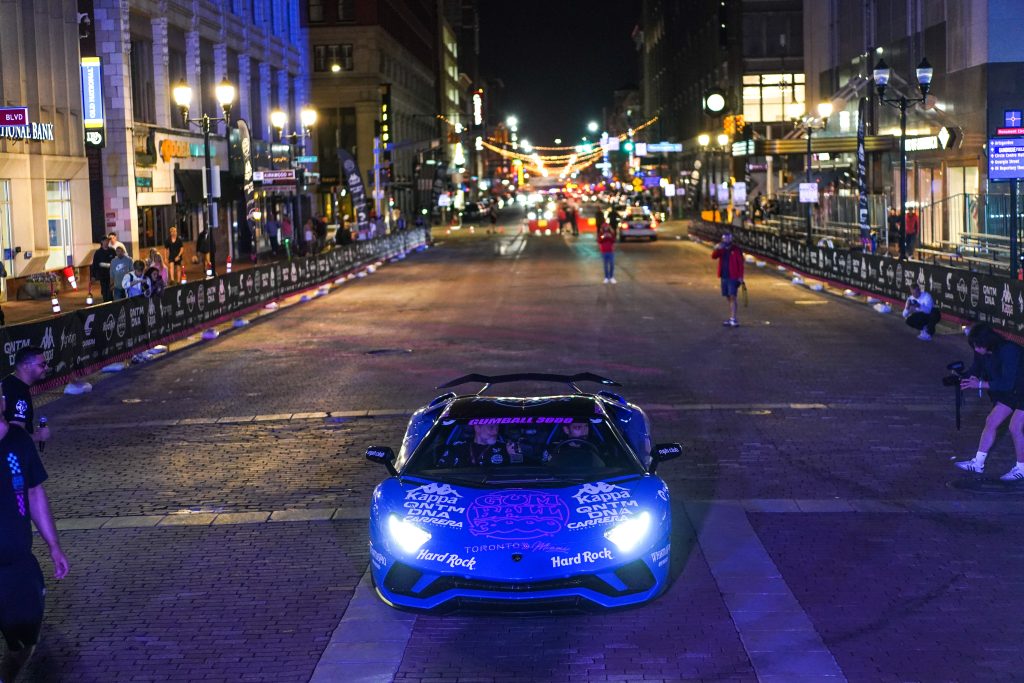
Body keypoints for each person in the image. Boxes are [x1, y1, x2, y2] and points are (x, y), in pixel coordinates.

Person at [0, 396, 69, 683]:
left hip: (16, 564)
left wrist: (54, 546)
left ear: (2, 401)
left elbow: (34, 493)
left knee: (25, 639)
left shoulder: (19, 442)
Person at [954, 323, 1024, 481]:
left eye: (978, 346)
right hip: (1012, 391)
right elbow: (976, 369)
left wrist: (979, 384)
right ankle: (978, 463)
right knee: (991, 421)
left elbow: (1007, 382)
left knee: (1015, 427)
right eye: (973, 346)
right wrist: (963, 377)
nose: (976, 350)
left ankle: (1022, 468)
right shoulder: (982, 351)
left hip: (1019, 387)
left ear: (987, 342)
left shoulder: (1008, 350)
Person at [2, 347, 51, 451]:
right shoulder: (18, 393)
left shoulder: (10, 383)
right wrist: (38, 436)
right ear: (26, 366)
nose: (46, 368)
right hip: (11, 457)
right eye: (42, 365)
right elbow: (15, 436)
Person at [435, 424, 522, 467]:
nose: (495, 432)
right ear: (477, 428)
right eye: (491, 427)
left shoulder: (507, 448)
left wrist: (515, 456)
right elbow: (438, 472)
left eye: (497, 428)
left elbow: (520, 474)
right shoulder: (457, 448)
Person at [712, 229, 745, 327]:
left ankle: (733, 319)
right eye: (724, 238)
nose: (726, 240)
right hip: (724, 276)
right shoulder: (721, 248)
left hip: (733, 277)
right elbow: (714, 257)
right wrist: (716, 248)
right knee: (728, 297)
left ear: (731, 239)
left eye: (728, 238)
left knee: (733, 297)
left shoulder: (736, 249)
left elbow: (741, 263)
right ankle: (731, 318)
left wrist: (740, 276)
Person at [90, 238, 115, 302]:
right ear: (102, 242)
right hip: (102, 275)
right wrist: (93, 275)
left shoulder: (112, 251)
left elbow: (115, 261)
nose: (106, 242)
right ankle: (105, 302)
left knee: (110, 291)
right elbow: (94, 264)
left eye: (107, 241)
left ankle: (110, 303)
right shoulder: (98, 252)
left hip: (111, 275)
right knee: (104, 290)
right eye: (105, 241)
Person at [596, 211, 616, 284]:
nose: (606, 228)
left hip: (610, 251)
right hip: (604, 251)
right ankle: (606, 277)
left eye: (607, 227)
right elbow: (599, 240)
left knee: (611, 264)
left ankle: (611, 277)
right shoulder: (601, 233)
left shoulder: (611, 233)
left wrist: (610, 237)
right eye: (604, 227)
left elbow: (613, 240)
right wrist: (603, 237)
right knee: (605, 265)